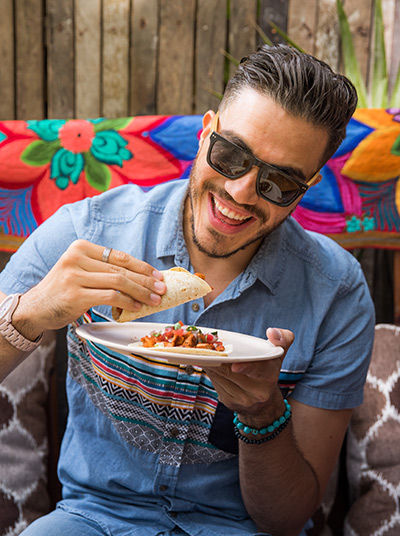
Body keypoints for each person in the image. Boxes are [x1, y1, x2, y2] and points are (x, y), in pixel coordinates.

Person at [0, 44, 374, 536]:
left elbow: (284, 518)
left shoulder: (338, 294)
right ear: (206, 131)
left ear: (308, 185)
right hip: (91, 520)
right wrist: (27, 316)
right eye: (231, 155)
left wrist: (263, 414)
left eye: (279, 183)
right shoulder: (86, 231)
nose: (240, 194)